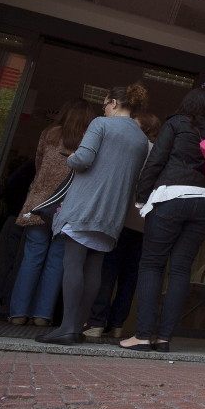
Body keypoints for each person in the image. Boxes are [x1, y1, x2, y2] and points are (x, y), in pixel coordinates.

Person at [35, 84, 150, 345]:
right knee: (94, 268)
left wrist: (71, 156)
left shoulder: (101, 124)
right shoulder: (141, 139)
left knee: (73, 263)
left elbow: (83, 160)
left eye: (105, 104)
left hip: (86, 204)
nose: (103, 109)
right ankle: (78, 326)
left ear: (114, 103)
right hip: (113, 212)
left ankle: (67, 327)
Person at [119, 88, 205, 352]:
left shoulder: (176, 123)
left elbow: (156, 161)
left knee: (152, 264)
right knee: (181, 269)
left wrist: (141, 198)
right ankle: (164, 338)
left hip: (171, 197)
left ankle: (142, 336)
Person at [9, 99, 93, 327]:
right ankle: (42, 315)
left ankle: (18, 313)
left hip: (40, 202)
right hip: (67, 207)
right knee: (57, 261)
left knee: (32, 257)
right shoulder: (89, 140)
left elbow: (38, 165)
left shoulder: (50, 133)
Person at [84, 112, 162, 339]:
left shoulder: (134, 147)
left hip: (121, 218)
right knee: (130, 275)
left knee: (107, 270)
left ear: (143, 128)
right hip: (145, 223)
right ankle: (118, 323)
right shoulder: (159, 153)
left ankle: (97, 322)